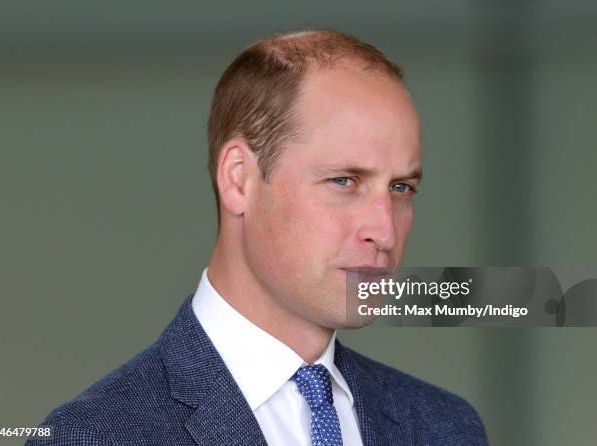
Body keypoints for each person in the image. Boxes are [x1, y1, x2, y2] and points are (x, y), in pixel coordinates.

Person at [28, 29, 488, 445]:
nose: (385, 230)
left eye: (401, 188)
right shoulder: (89, 437)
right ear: (239, 179)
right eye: (344, 181)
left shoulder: (446, 427)